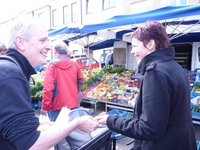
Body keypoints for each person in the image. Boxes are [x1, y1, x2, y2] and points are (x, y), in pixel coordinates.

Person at [95, 20, 196, 150]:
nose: (132, 51)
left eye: (135, 46)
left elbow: (149, 129)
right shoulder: (174, 66)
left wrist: (111, 120)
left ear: (150, 44)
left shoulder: (155, 73)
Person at [0, 18, 98, 150]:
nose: (48, 46)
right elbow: (32, 144)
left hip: (56, 104)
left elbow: (48, 88)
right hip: (71, 102)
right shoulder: (11, 74)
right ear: (20, 42)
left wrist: (36, 118)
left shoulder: (7, 69)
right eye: (42, 40)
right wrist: (77, 123)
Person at [41, 41, 84, 121]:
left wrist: (45, 107)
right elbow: (81, 81)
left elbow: (48, 88)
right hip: (73, 104)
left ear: (55, 52)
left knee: (58, 131)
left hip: (57, 106)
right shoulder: (74, 64)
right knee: (73, 131)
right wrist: (73, 91)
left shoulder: (51, 66)